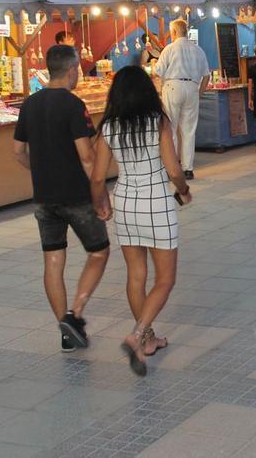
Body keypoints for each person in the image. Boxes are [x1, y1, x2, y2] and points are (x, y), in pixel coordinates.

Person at [89, 66, 190, 376]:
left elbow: (96, 177)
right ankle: (137, 335)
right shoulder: (158, 122)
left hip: (126, 203)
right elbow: (173, 170)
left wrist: (101, 203)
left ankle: (148, 340)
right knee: (165, 279)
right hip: (157, 202)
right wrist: (184, 190)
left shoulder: (109, 127)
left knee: (136, 275)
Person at [12, 45, 110, 353]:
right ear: (71, 70)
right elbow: (86, 155)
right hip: (76, 194)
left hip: (44, 197)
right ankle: (75, 314)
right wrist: (101, 193)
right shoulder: (73, 104)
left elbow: (18, 152)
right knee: (99, 252)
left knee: (53, 260)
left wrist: (40, 170)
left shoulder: (30, 104)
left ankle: (65, 332)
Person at [153, 19, 211, 180]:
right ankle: (188, 169)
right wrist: (199, 93)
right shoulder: (198, 50)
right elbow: (206, 75)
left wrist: (152, 63)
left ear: (174, 32)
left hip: (173, 87)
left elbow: (158, 71)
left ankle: (172, 167)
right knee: (188, 130)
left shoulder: (170, 49)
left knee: (170, 129)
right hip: (192, 88)